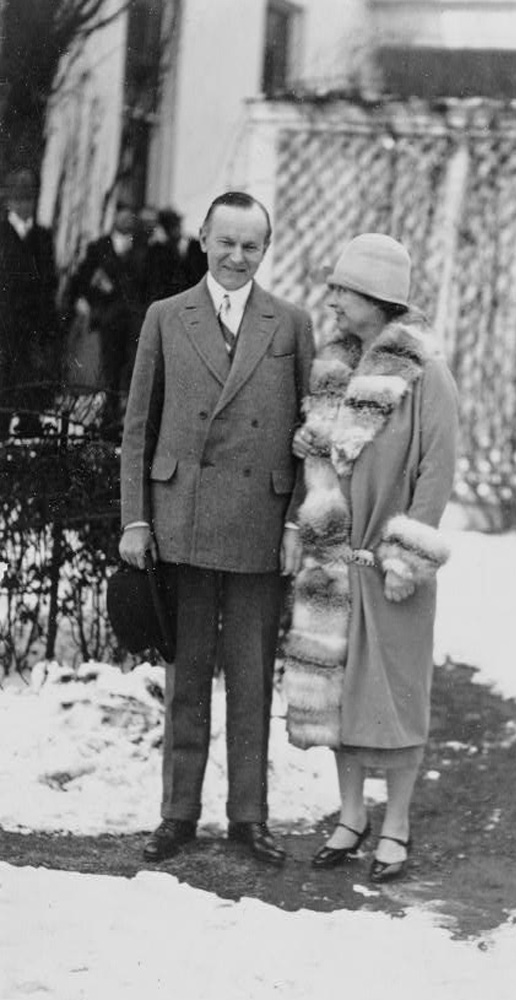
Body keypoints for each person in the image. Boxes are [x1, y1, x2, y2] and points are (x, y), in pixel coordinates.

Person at [119, 190, 314, 865]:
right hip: (184, 522)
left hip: (259, 527)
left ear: (266, 249)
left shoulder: (290, 324)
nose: (237, 256)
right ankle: (177, 814)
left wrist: (295, 523)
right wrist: (137, 519)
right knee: (188, 676)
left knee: (254, 680)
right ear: (203, 238)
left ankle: (249, 817)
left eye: (250, 245)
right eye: (225, 241)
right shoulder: (166, 318)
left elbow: (307, 437)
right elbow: (138, 429)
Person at [285, 233, 458, 882]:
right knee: (339, 695)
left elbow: (437, 474)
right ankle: (352, 816)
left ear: (378, 300)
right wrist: (319, 521)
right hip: (336, 565)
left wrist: (405, 558)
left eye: (343, 291)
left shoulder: (428, 376)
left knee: (398, 696)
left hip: (392, 572)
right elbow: (316, 458)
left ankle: (397, 824)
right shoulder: (332, 372)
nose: (330, 302)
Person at [67, 203, 143, 429]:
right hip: (102, 323)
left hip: (129, 324)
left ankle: (116, 421)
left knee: (124, 373)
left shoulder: (140, 249)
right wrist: (83, 299)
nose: (126, 220)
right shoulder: (98, 247)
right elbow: (80, 280)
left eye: (130, 217)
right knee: (100, 373)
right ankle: (96, 420)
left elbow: (142, 286)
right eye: (122, 215)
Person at [0, 168, 60, 437]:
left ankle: (29, 439)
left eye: (29, 198)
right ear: (8, 200)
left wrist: (48, 327)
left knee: (31, 388)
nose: (24, 204)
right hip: (4, 325)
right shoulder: (2, 233)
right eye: (19, 198)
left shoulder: (43, 237)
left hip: (33, 328)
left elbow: (49, 283)